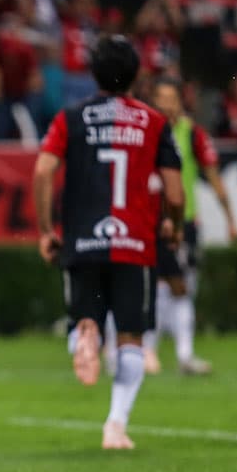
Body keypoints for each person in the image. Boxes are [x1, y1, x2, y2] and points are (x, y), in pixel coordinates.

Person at [32, 36, 184, 450]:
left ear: (93, 74)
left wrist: (47, 231)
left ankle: (86, 332)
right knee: (132, 337)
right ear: (136, 74)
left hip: (83, 241)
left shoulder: (71, 118)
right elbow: (174, 193)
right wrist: (174, 226)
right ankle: (115, 426)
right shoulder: (154, 122)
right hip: (135, 244)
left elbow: (44, 171)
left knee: (84, 315)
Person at [143, 78, 237, 376]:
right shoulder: (145, 131)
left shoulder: (192, 134)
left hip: (185, 221)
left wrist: (229, 217)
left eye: (171, 98)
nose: (166, 104)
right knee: (161, 285)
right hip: (153, 220)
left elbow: (212, 175)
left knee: (181, 287)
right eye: (161, 97)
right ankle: (152, 350)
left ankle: (179, 353)